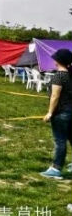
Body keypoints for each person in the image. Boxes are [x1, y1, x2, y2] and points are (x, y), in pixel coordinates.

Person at [40, 49, 72, 179]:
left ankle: (56, 169)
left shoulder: (59, 76)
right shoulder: (70, 75)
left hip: (61, 114)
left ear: (58, 61)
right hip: (70, 112)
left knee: (60, 141)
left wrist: (50, 112)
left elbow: (55, 96)